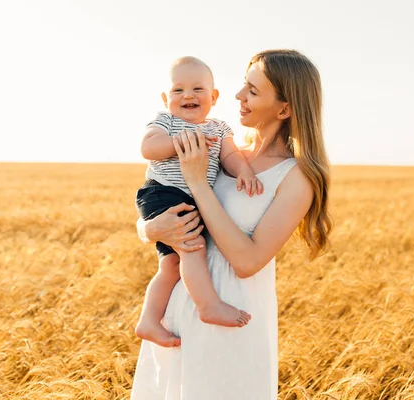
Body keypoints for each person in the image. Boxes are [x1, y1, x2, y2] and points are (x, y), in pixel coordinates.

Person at [131, 49, 333, 400]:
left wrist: (197, 183)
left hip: (232, 317)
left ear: (284, 108)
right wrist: (149, 230)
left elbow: (247, 261)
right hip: (178, 313)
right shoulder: (226, 149)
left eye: (253, 91)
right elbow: (163, 204)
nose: (238, 96)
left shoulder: (297, 176)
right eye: (243, 85)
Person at [135, 56, 261, 348]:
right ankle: (208, 305)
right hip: (163, 191)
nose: (188, 95)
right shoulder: (165, 121)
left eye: (197, 89)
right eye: (178, 91)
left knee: (171, 264)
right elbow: (148, 147)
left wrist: (243, 169)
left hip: (190, 196)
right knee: (193, 246)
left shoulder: (218, 128)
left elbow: (230, 156)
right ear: (166, 98)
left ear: (213, 97)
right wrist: (182, 141)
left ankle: (149, 321)